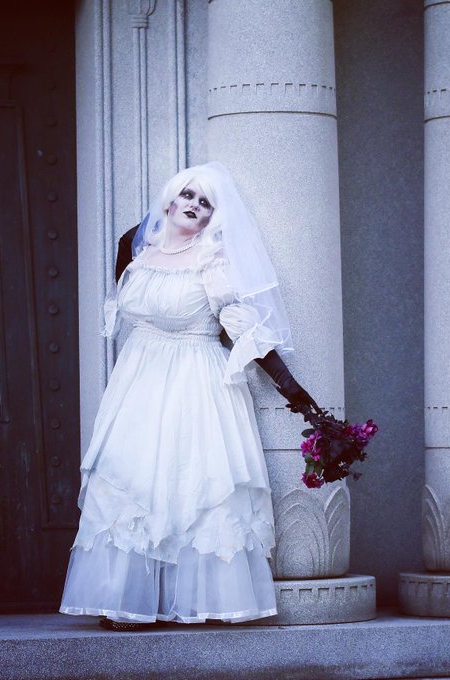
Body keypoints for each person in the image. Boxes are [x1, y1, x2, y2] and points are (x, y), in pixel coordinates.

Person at [59, 162, 319, 630]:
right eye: (187, 195)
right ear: (170, 199)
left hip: (196, 382)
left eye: (205, 203)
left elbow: (245, 332)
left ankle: (202, 599)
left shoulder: (212, 262)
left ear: (214, 216)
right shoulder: (137, 251)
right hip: (138, 383)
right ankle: (129, 600)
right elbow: (127, 292)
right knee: (133, 483)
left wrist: (293, 390)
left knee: (193, 484)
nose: (194, 206)